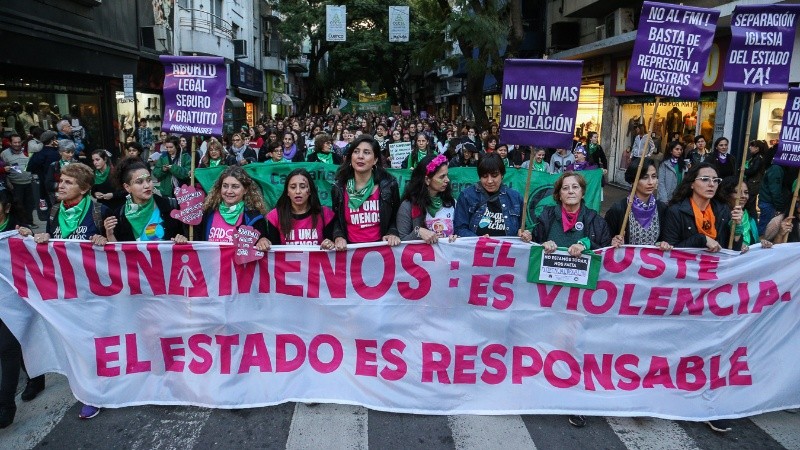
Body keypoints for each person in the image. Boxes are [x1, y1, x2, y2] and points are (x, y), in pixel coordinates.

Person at [25, 163, 109, 420]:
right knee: (73, 342)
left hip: (93, 291)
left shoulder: (100, 210)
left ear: (84, 189)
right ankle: (87, 387)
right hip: (63, 290)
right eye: (61, 181)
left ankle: (96, 392)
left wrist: (105, 239)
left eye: (68, 182)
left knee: (93, 342)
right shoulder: (53, 211)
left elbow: (119, 249)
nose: (60, 186)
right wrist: (39, 238)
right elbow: (51, 243)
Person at [0, 189, 43, 429]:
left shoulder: (18, 230)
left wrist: (29, 236)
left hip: (16, 299)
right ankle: (36, 377)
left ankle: (5, 405)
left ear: (6, 208)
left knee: (8, 347)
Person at [331, 135, 401, 249]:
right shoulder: (339, 187)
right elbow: (336, 220)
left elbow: (396, 216)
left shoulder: (389, 185)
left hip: (382, 250)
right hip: (349, 251)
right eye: (356, 152)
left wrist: (392, 232)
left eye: (367, 152)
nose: (360, 156)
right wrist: (338, 236)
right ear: (350, 157)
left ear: (375, 160)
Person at [662, 162, 743, 254]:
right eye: (705, 179)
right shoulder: (676, 211)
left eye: (715, 180)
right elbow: (669, 253)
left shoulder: (723, 209)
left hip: (716, 267)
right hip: (688, 266)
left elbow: (732, 250)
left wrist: (737, 228)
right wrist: (702, 239)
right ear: (692, 183)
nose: (711, 184)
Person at [104, 157, 187, 242]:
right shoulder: (119, 216)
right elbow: (118, 251)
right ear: (127, 187)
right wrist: (110, 235)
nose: (147, 185)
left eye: (149, 180)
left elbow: (185, 237)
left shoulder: (170, 206)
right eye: (139, 182)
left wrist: (182, 239)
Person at [533, 171, 611, 257]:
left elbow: (606, 256)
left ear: (582, 194)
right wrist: (542, 245)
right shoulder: (546, 217)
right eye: (565, 188)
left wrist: (588, 246)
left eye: (575, 187)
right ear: (559, 195)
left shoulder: (597, 222)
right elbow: (532, 248)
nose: (570, 191)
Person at [195, 166, 270, 249]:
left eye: (235, 186)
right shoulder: (207, 213)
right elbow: (195, 241)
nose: (229, 191)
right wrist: (183, 239)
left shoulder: (255, 218)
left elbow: (263, 243)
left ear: (245, 190)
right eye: (225, 186)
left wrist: (263, 241)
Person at [454, 153, 525, 238]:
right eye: (484, 176)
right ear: (479, 176)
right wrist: (479, 240)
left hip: (506, 250)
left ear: (502, 175)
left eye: (494, 176)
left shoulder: (515, 197)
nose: (490, 181)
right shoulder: (467, 196)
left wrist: (524, 233)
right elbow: (460, 228)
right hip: (476, 249)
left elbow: (523, 228)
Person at [606, 159, 671, 249]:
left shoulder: (662, 208)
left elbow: (667, 239)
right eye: (644, 177)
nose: (651, 182)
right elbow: (604, 240)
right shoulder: (619, 209)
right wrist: (613, 241)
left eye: (654, 176)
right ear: (633, 180)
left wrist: (664, 244)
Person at [266, 168, 335, 247]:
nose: (298, 191)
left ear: (310, 191)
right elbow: (273, 253)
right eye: (293, 187)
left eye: (302, 187)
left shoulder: (325, 214)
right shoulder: (275, 216)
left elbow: (333, 245)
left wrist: (331, 243)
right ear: (287, 192)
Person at [397, 154, 456, 242]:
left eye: (447, 175)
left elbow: (460, 231)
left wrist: (455, 238)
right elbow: (402, 243)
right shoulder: (408, 206)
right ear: (427, 180)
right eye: (442, 177)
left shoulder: (452, 203)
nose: (447, 180)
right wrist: (418, 232)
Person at [719, 176, 772, 249]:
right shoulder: (720, 216)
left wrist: (762, 243)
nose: (744, 196)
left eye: (746, 192)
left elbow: (754, 242)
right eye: (737, 192)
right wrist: (738, 245)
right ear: (726, 194)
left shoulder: (750, 217)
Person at [1, 134, 35, 227]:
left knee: (30, 205)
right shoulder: (4, 153)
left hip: (28, 182)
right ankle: (21, 224)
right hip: (15, 184)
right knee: (18, 206)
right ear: (10, 143)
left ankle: (29, 222)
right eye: (14, 142)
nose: (17, 144)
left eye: (19, 142)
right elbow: (3, 169)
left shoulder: (26, 151)